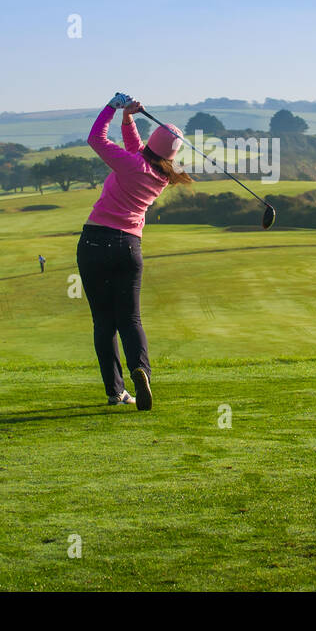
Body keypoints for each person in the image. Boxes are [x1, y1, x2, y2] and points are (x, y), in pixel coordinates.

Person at [77, 93, 191, 410]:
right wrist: (129, 119)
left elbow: (95, 138)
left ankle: (116, 392)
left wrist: (111, 108)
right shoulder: (162, 175)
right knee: (131, 320)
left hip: (94, 243)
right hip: (128, 247)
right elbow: (137, 150)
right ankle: (142, 375)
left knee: (104, 323)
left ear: (153, 143)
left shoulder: (131, 165)